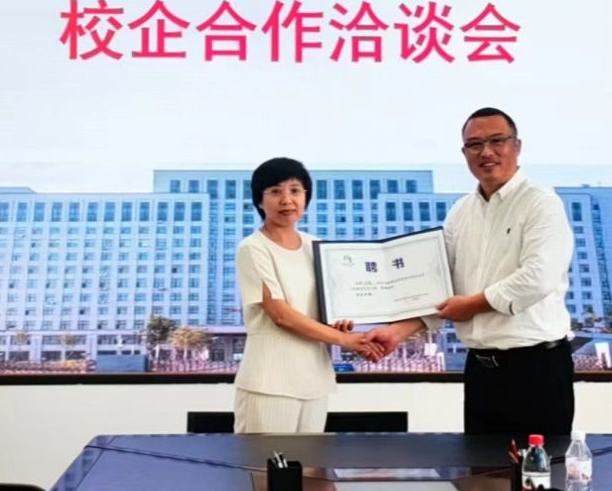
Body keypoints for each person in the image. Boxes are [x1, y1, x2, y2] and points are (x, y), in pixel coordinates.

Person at [365, 108, 576, 437]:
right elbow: (441, 284)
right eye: (475, 145)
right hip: (480, 370)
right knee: (480, 465)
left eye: (497, 141)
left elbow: (538, 277)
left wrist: (471, 305)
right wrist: (397, 332)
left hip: (537, 368)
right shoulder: (461, 211)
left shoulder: (541, 202)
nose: (486, 152)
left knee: (537, 468)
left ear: (517, 146)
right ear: (464, 153)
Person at [234, 156, 383, 433]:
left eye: (295, 190)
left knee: (311, 460)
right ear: (259, 200)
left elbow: (323, 307)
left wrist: (338, 322)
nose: (287, 200)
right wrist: (346, 340)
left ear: (306, 197)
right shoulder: (253, 248)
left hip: (315, 378)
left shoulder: (316, 246)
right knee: (267, 460)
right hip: (270, 381)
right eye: (275, 191)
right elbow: (281, 315)